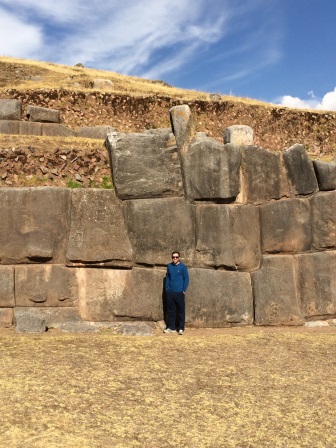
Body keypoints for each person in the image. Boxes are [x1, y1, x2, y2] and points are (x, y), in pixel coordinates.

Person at [164, 251, 189, 335]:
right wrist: (167, 288)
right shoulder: (169, 266)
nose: (175, 258)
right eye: (173, 257)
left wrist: (184, 289)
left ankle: (181, 328)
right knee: (171, 310)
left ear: (179, 258)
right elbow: (167, 278)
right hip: (170, 292)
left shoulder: (183, 267)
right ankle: (172, 327)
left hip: (179, 292)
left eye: (176, 257)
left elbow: (186, 279)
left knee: (181, 310)